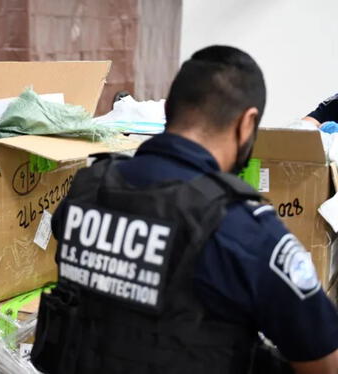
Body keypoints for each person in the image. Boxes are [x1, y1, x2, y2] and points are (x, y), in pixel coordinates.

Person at [31, 45, 338, 374]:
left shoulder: (88, 189)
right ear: (247, 123)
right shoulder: (242, 227)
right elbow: (323, 363)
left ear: (171, 109)